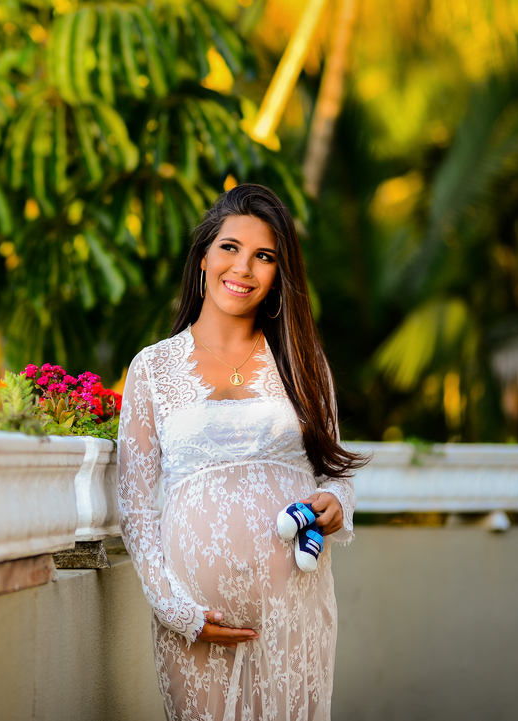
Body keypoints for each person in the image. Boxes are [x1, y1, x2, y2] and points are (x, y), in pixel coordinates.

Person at [116, 184, 365, 720]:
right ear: (203, 257)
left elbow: (334, 471)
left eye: (264, 256)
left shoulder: (303, 362)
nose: (244, 268)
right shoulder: (152, 369)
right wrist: (176, 610)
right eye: (230, 247)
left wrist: (336, 502)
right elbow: (135, 511)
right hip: (194, 619)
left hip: (294, 610)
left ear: (279, 275)